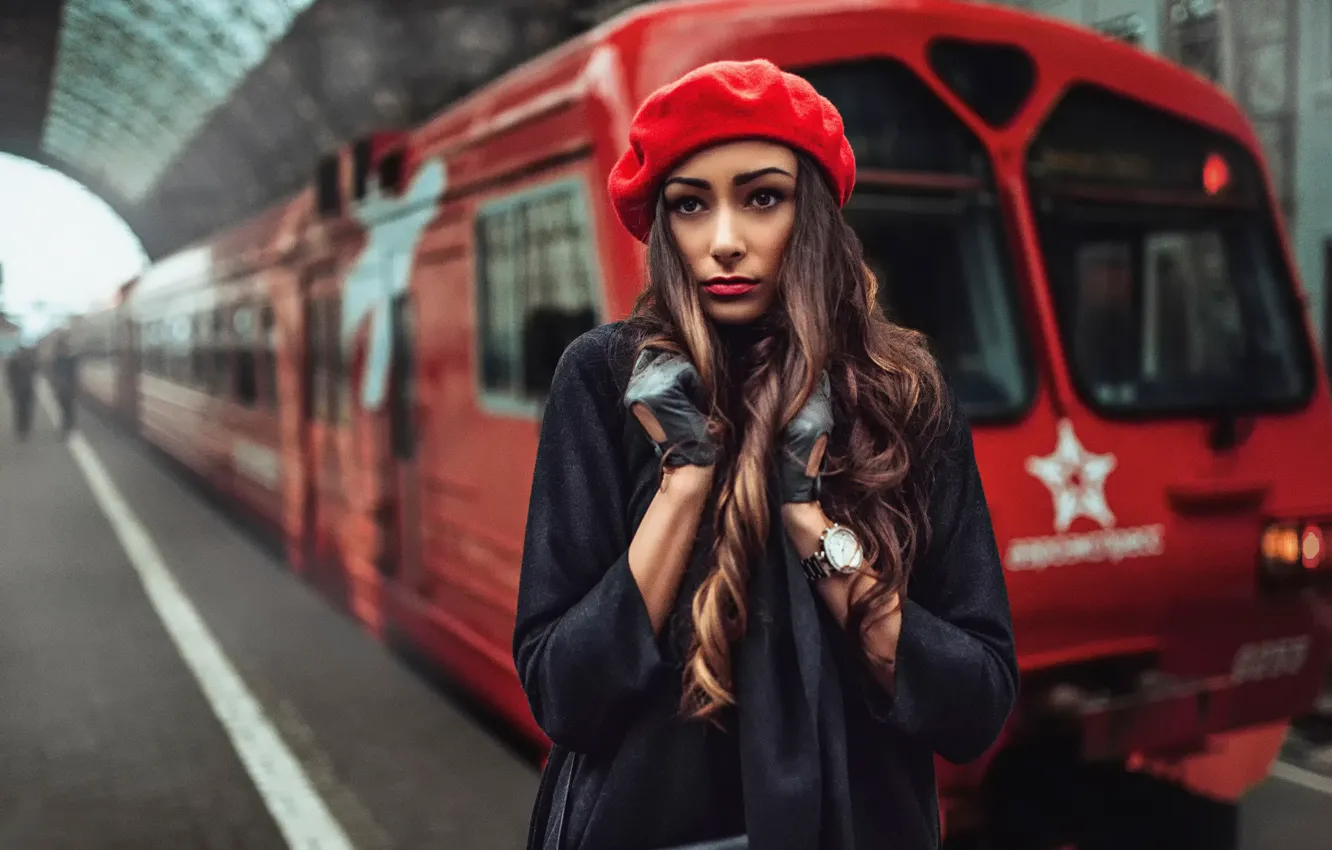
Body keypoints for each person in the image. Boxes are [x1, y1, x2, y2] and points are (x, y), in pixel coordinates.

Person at [514, 59, 1018, 850]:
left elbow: (975, 702)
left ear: (809, 213)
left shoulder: (902, 396)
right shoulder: (608, 380)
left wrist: (812, 527)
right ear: (664, 228)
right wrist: (684, 484)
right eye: (689, 205)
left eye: (761, 198)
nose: (723, 241)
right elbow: (564, 696)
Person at [6, 345, 36, 440]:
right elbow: (10, 376)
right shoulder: (15, 362)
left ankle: (24, 429)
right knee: (21, 410)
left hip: (26, 389)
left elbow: (34, 371)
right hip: (20, 389)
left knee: (25, 410)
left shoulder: (29, 361)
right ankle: (21, 429)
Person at [51, 334, 79, 436]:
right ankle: (68, 426)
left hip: (66, 388)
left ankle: (68, 427)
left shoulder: (67, 359)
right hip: (64, 388)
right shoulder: (65, 359)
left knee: (67, 409)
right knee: (66, 409)